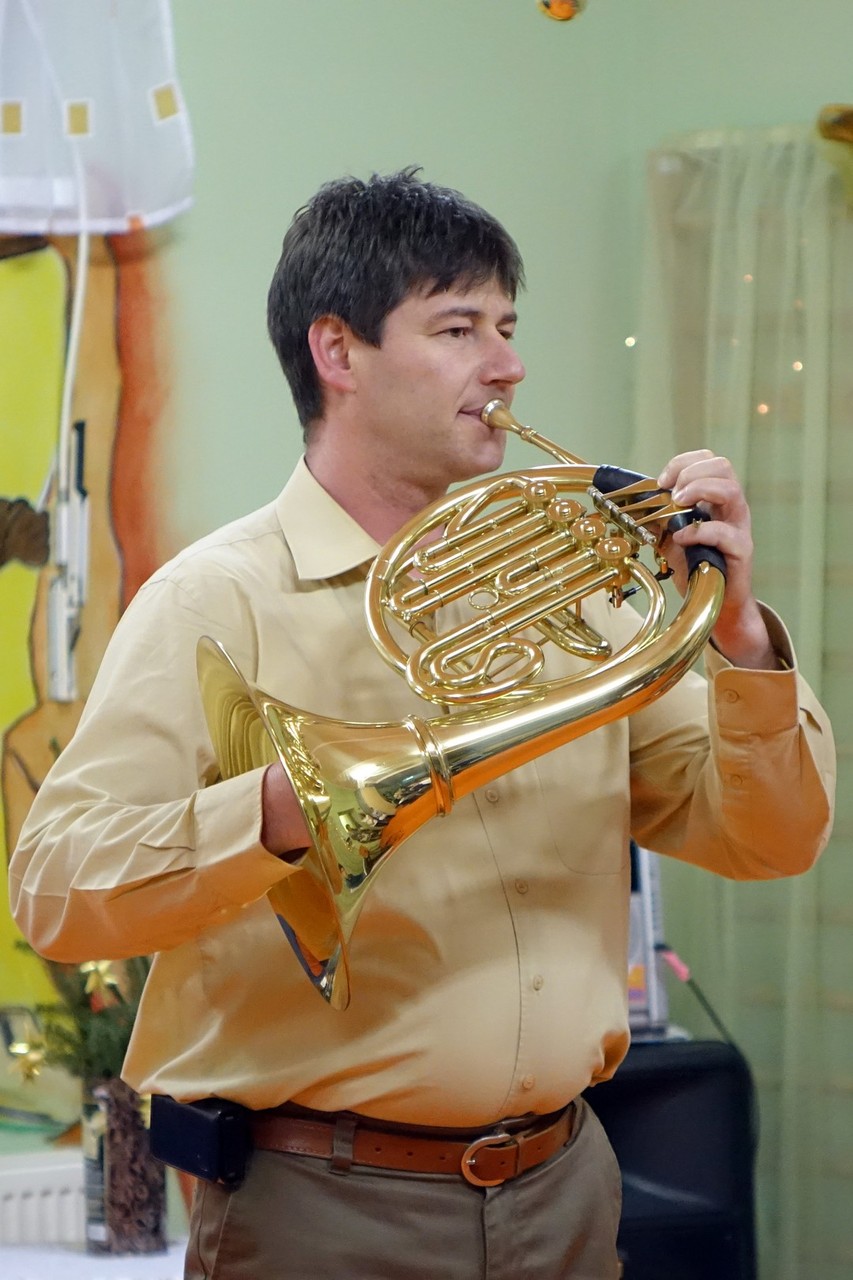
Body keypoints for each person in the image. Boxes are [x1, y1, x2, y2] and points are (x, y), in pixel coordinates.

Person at [9, 169, 835, 1280]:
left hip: (568, 1184)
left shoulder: (582, 588)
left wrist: (736, 639)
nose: (506, 365)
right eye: (457, 329)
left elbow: (772, 840)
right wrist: (279, 808)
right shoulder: (215, 599)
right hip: (323, 1206)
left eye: (507, 327)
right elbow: (54, 890)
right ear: (338, 353)